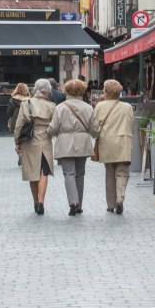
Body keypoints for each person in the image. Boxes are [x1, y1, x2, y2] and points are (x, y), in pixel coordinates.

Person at [47, 79, 100, 216]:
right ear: (82, 91)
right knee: (80, 175)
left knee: (69, 173)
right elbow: (94, 129)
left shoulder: (60, 107)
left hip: (65, 143)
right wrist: (96, 135)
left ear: (67, 91)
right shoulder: (88, 108)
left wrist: (48, 133)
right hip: (82, 143)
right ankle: (79, 205)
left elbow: (53, 127)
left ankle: (73, 201)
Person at [12, 79, 57, 215]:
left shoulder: (26, 104)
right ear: (47, 91)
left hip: (29, 142)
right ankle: (41, 201)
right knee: (44, 171)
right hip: (45, 141)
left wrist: (17, 142)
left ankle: (35, 202)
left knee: (32, 173)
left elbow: (19, 125)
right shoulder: (52, 106)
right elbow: (55, 125)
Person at [94, 79, 135, 214]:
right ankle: (120, 198)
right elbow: (131, 123)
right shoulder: (127, 107)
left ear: (106, 92)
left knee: (110, 173)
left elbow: (95, 126)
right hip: (123, 141)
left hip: (107, 142)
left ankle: (110, 204)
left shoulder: (100, 106)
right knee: (122, 172)